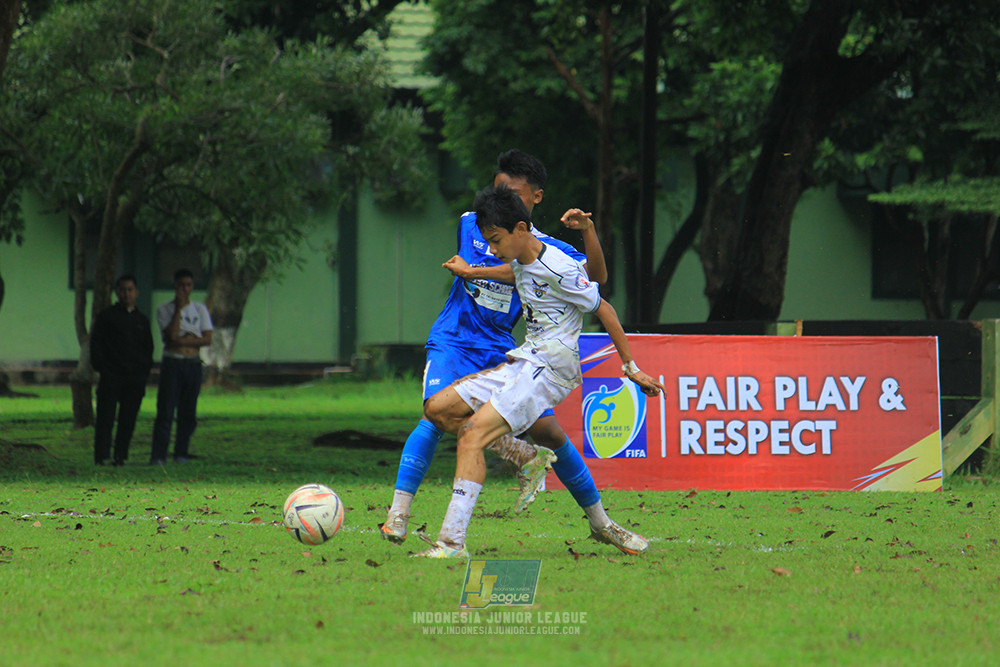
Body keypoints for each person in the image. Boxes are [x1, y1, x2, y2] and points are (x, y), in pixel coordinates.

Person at [412, 185, 664, 558]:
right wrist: (471, 271)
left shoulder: (558, 268)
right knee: (438, 409)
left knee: (471, 436)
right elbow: (512, 271)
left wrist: (632, 368)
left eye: (496, 240)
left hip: (548, 371)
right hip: (524, 360)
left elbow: (604, 307)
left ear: (520, 228)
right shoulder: (520, 257)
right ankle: (578, 503)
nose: (493, 248)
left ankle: (451, 544)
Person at [150, 269, 213, 465]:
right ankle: (159, 456)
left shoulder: (200, 309)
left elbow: (207, 338)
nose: (184, 289)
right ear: (174, 287)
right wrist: (178, 310)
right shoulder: (164, 310)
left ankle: (181, 454)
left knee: (188, 412)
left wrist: (183, 341)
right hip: (173, 363)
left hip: (192, 364)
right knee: (166, 411)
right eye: (180, 285)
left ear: (192, 287)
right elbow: (170, 338)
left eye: (188, 285)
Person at [90, 274, 154, 466]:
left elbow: (148, 348)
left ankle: (120, 455)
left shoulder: (141, 320)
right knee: (105, 418)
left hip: (134, 378)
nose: (126, 294)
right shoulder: (107, 316)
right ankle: (101, 456)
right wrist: (102, 368)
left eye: (130, 290)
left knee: (128, 420)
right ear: (117, 292)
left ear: (136, 292)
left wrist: (143, 372)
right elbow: (96, 344)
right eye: (123, 290)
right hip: (111, 376)